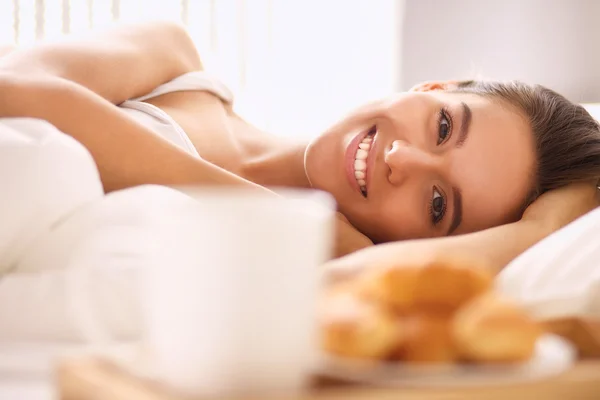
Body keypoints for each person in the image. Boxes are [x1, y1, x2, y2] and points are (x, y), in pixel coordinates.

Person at [0, 21, 598, 261]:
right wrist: (284, 219)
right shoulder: (171, 60)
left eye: (438, 205)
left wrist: (538, 235)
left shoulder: (334, 276)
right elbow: (17, 93)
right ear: (435, 84)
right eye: (442, 125)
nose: (401, 159)